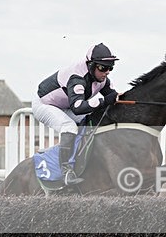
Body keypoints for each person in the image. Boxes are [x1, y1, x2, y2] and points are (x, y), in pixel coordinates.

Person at [32, 43, 119, 185]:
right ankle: (66, 171)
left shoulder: (101, 78)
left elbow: (113, 96)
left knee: (91, 120)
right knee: (69, 126)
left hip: (65, 105)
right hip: (45, 104)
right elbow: (78, 107)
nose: (106, 72)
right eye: (103, 68)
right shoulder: (77, 77)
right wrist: (103, 101)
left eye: (110, 68)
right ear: (91, 65)